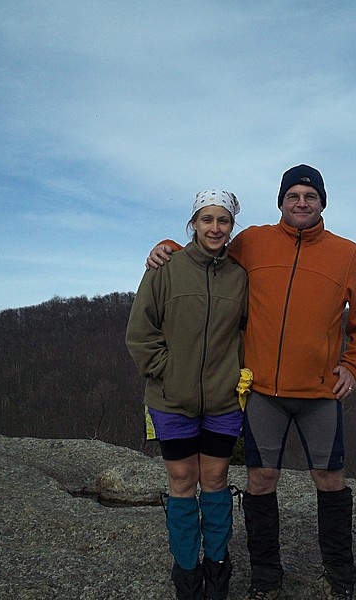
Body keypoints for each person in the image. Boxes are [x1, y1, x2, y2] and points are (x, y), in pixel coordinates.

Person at [147, 165, 356, 599]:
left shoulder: (348, 253)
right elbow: (207, 252)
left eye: (309, 197)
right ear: (281, 202)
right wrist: (167, 248)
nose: (301, 203)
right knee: (260, 482)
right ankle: (265, 576)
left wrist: (355, 365)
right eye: (292, 195)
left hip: (319, 393)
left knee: (330, 480)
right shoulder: (254, 240)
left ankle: (340, 573)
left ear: (322, 203)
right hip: (263, 394)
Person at [126, 189, 249, 600]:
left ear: (232, 226)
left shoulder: (240, 276)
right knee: (181, 480)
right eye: (207, 219)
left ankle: (217, 570)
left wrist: (238, 372)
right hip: (170, 400)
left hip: (223, 401)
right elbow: (140, 332)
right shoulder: (165, 268)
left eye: (224, 220)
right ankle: (186, 572)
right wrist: (167, 373)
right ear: (193, 224)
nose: (215, 228)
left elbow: (250, 332)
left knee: (215, 479)